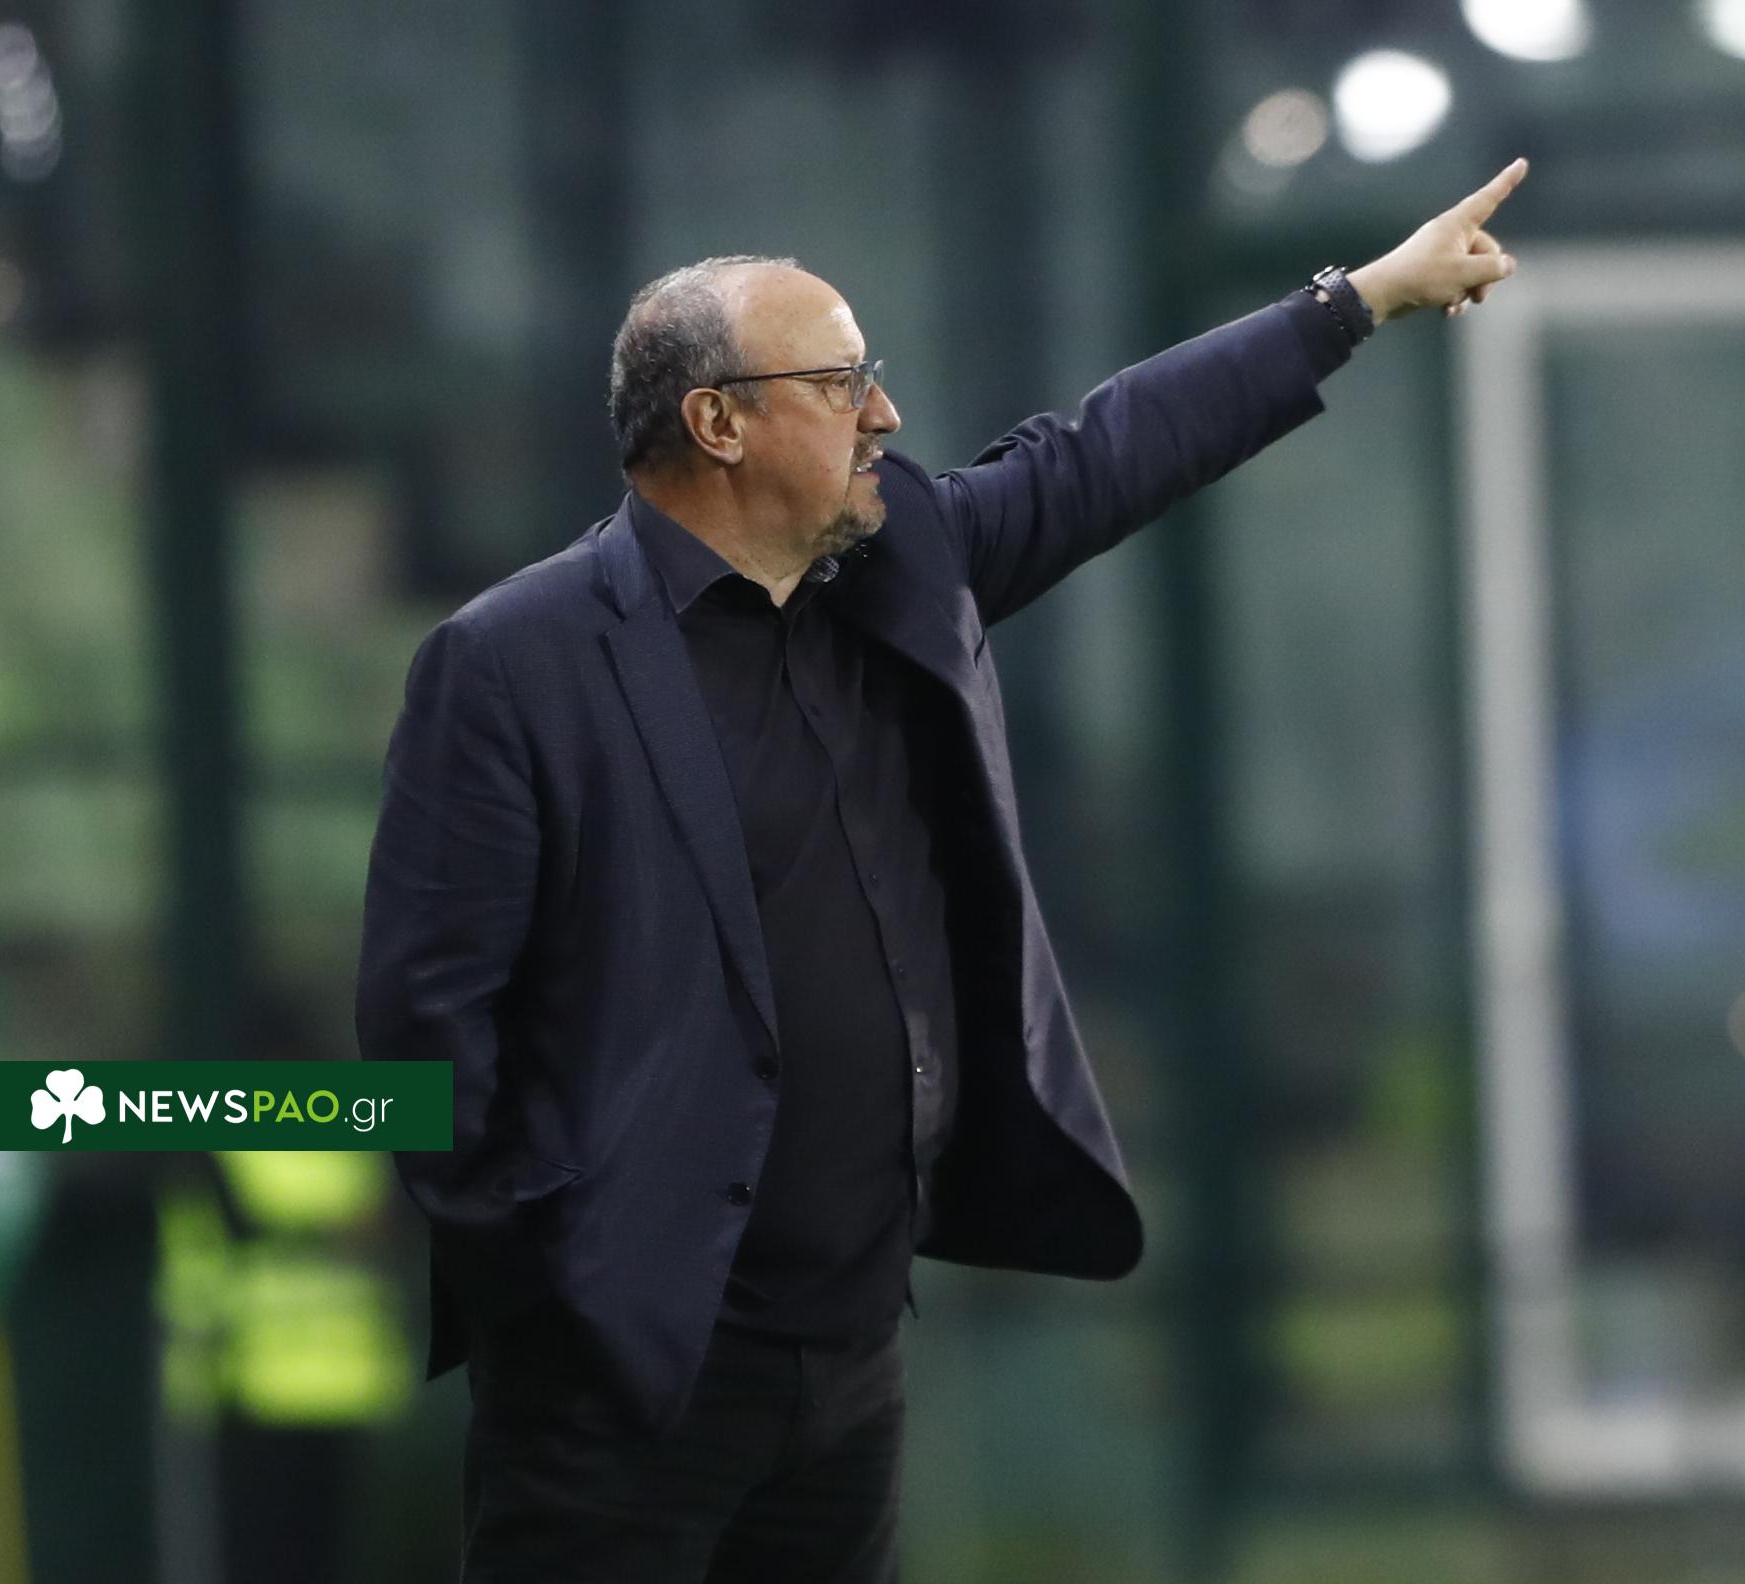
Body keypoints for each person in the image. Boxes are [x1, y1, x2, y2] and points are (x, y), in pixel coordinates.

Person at [356, 159, 1530, 1582]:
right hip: (625, 1382)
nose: (885, 415)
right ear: (718, 422)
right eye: (841, 382)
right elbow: (426, 1028)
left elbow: (1106, 451)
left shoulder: (905, 563)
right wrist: (564, 1296)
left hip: (851, 1364)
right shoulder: (513, 661)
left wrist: (1357, 301)